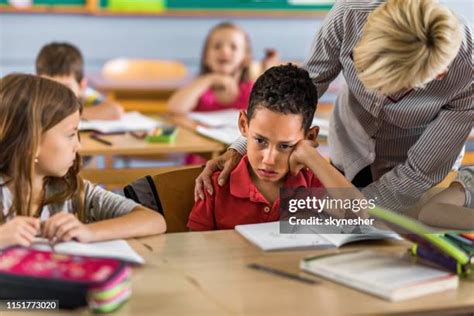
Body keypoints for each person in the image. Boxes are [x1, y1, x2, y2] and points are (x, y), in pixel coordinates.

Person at [194, 0, 473, 214]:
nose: (375, 96)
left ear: (439, 73)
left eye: (392, 87)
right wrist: (240, 146)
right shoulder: (351, 12)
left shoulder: (467, 75)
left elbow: (417, 174)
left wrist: (353, 212)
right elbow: (304, 89)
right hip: (349, 148)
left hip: (410, 173)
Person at [188, 64, 366, 231]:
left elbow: (359, 216)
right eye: (260, 141)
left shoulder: (312, 185)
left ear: (309, 137)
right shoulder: (217, 186)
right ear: (243, 125)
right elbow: (195, 253)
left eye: (285, 146)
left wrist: (310, 155)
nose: (269, 160)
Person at [0, 74, 166, 249]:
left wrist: (89, 232)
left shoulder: (73, 190)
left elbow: (154, 220)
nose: (78, 145)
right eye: (71, 135)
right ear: (31, 144)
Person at [167, 22, 254, 113]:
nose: (224, 51)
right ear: (206, 57)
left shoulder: (251, 90)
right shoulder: (200, 88)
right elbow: (174, 109)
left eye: (233, 47)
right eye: (217, 46)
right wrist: (210, 79)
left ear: (246, 59)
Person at [36, 42, 124, 120]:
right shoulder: (33, 96)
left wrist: (69, 113)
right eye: (48, 86)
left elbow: (115, 111)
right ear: (37, 84)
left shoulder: (86, 95)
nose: (56, 95)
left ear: (82, 86)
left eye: (65, 88)